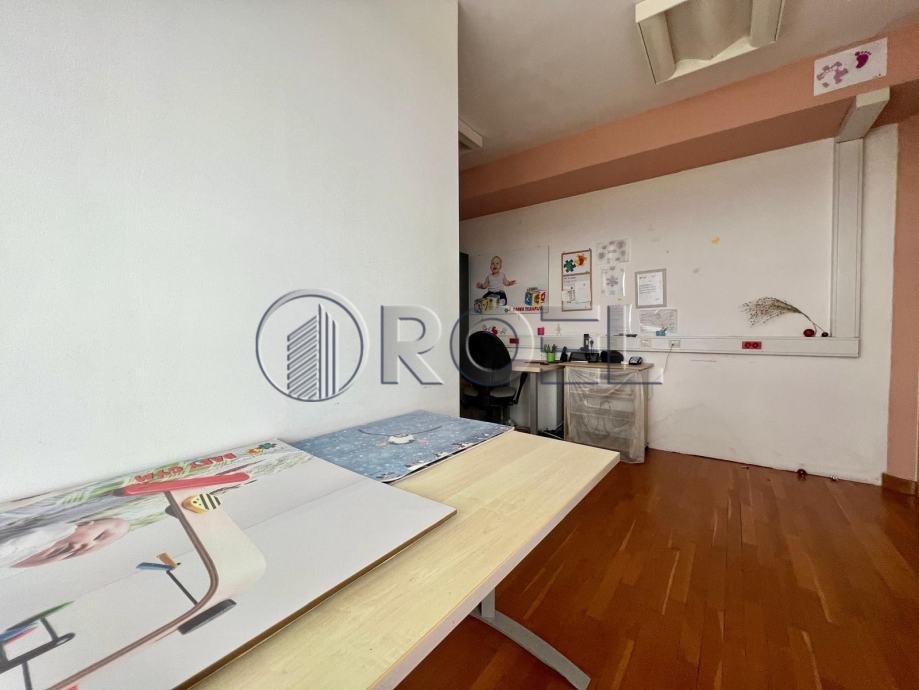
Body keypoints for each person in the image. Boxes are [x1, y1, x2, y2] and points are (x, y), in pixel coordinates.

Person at [0, 518, 129, 568]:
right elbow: (18, 542)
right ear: (84, 524)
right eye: (98, 537)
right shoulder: (64, 530)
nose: (90, 545)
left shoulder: (57, 552)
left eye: (98, 546)